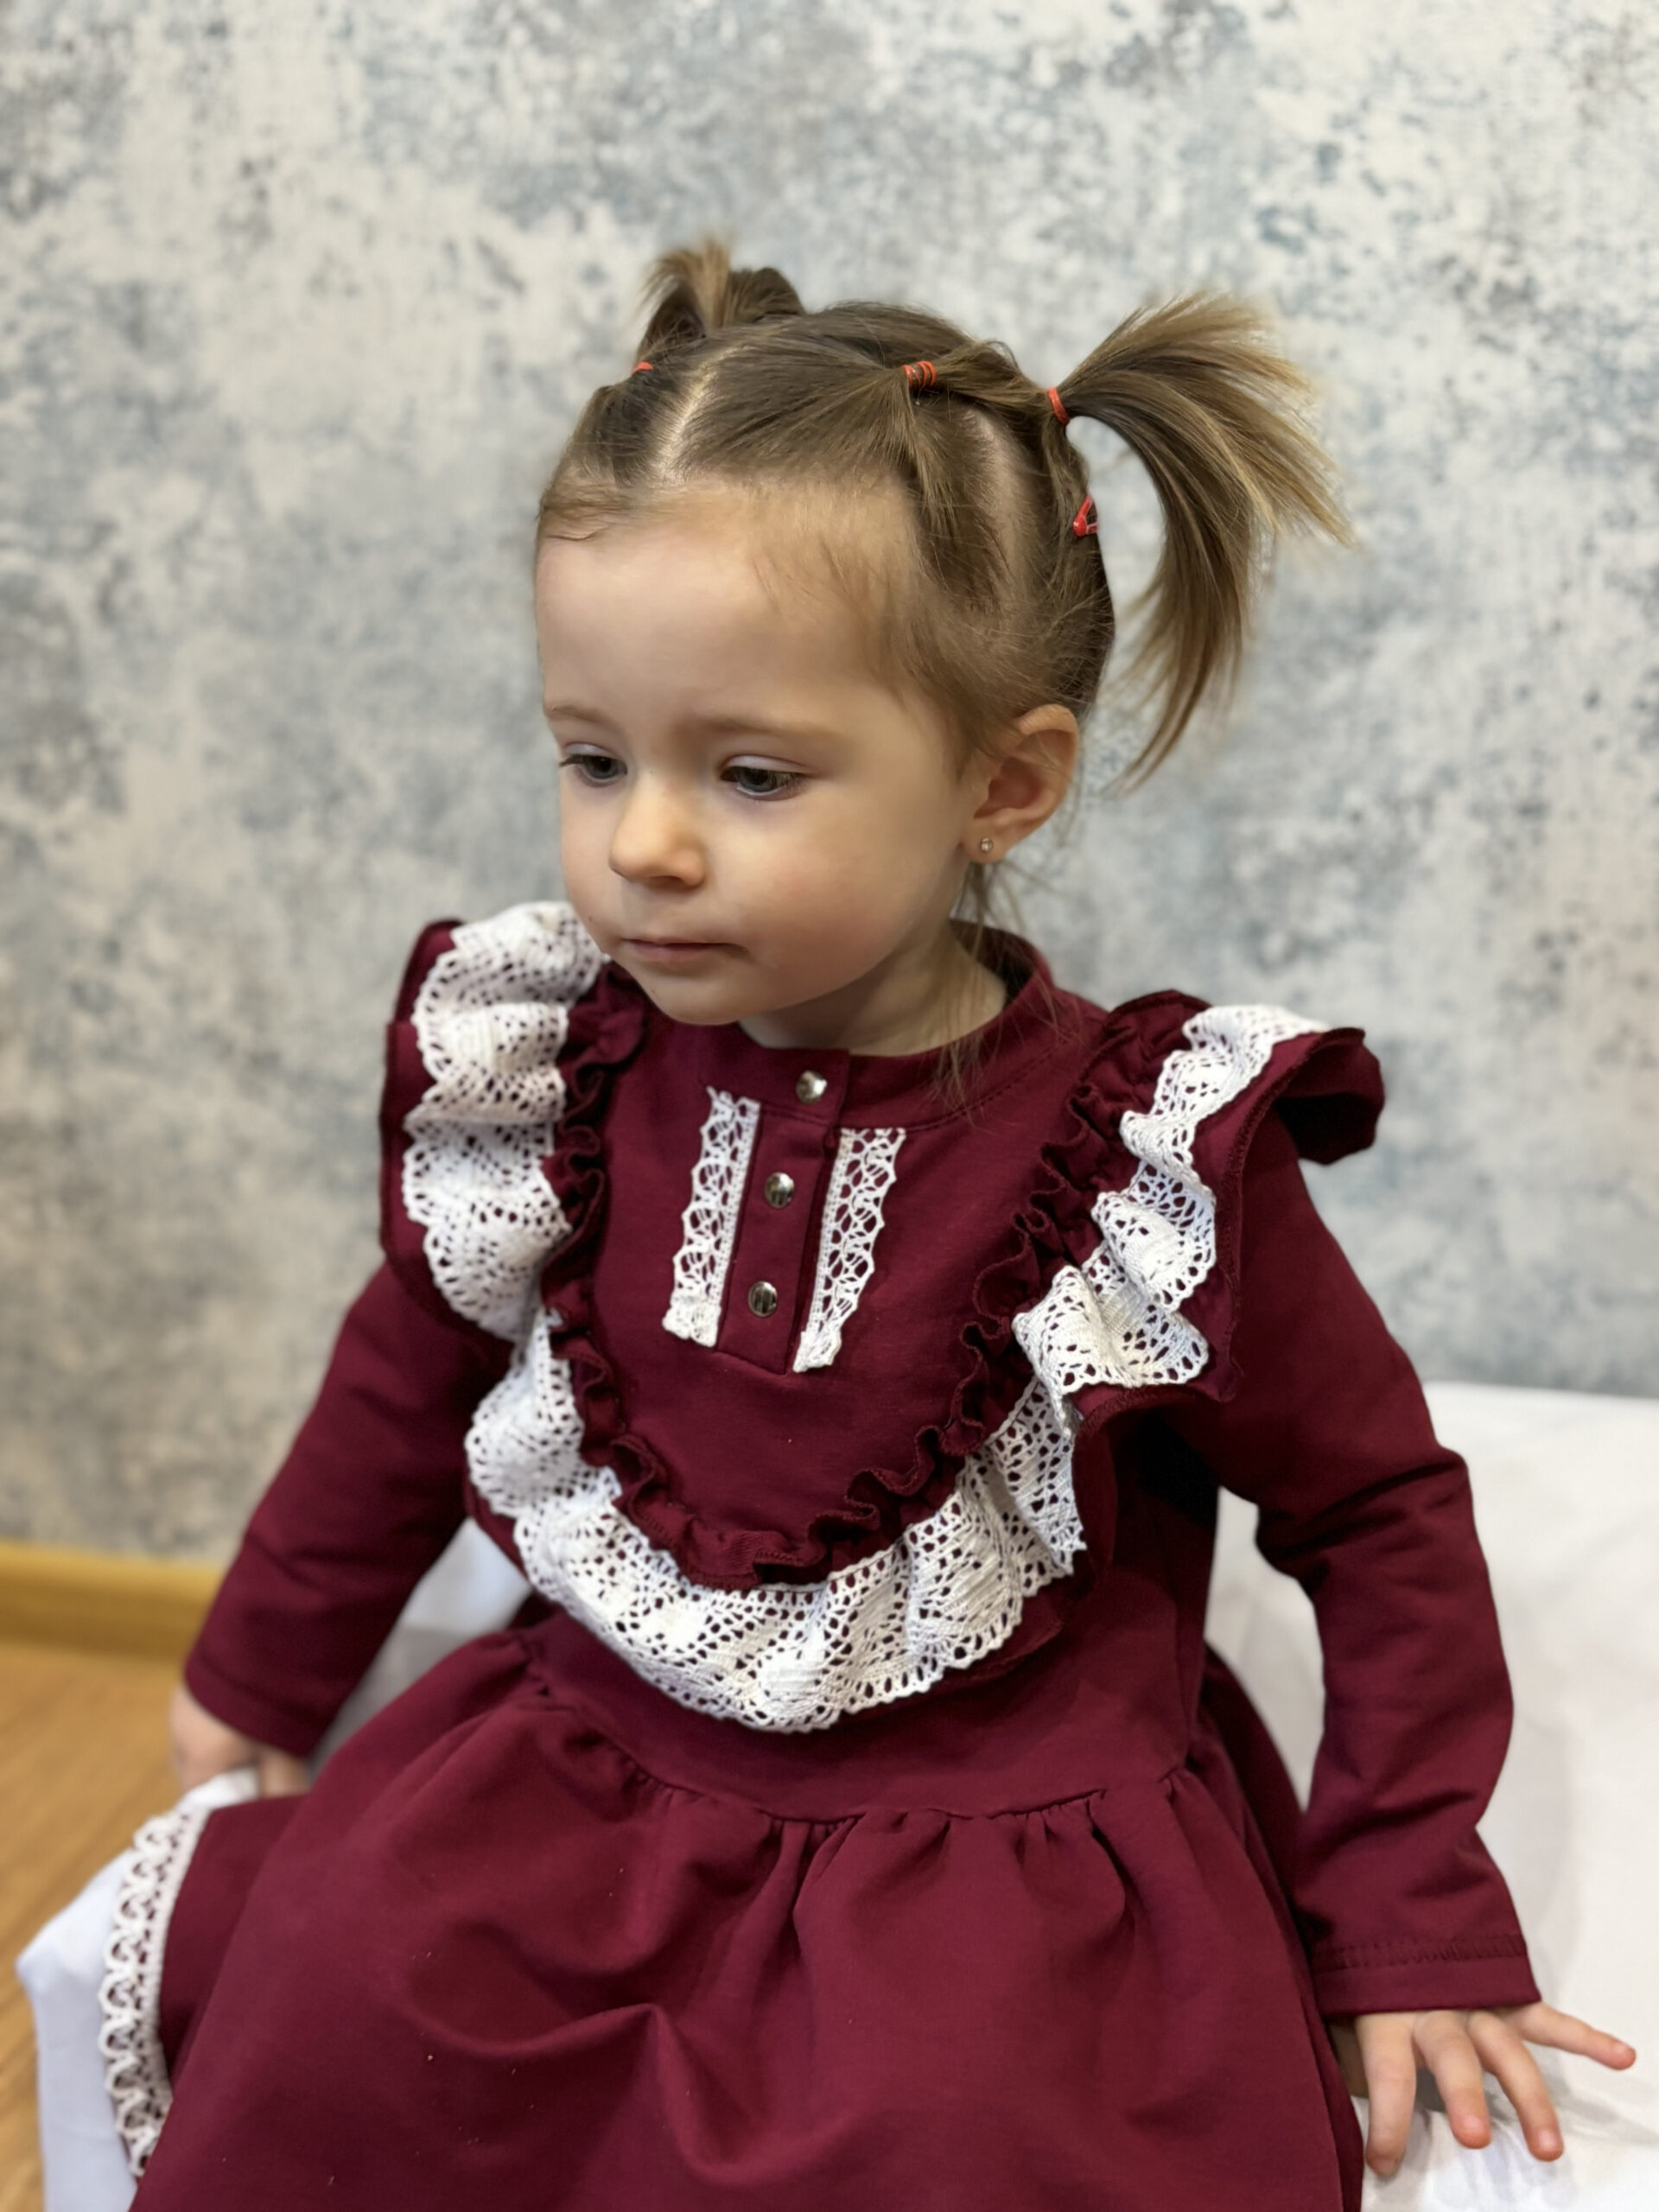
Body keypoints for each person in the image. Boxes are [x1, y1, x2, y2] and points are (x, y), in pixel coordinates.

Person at [108, 244, 1630, 2211]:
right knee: (343, 1985)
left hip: (992, 1840)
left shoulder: (1145, 1158)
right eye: (593, 755)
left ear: (1003, 782)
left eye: (750, 774)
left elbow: (1377, 1508)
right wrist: (257, 1674)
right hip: (590, 1763)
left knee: (955, 2124)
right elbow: (407, 1373)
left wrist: (1406, 1894)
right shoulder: (559, 1067)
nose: (643, 842)